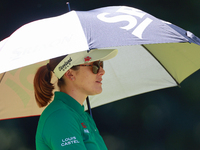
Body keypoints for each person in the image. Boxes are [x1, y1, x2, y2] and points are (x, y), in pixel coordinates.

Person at [34, 49, 118, 150]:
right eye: (95, 65)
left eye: (101, 64)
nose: (102, 71)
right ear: (70, 74)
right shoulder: (60, 116)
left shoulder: (82, 115)